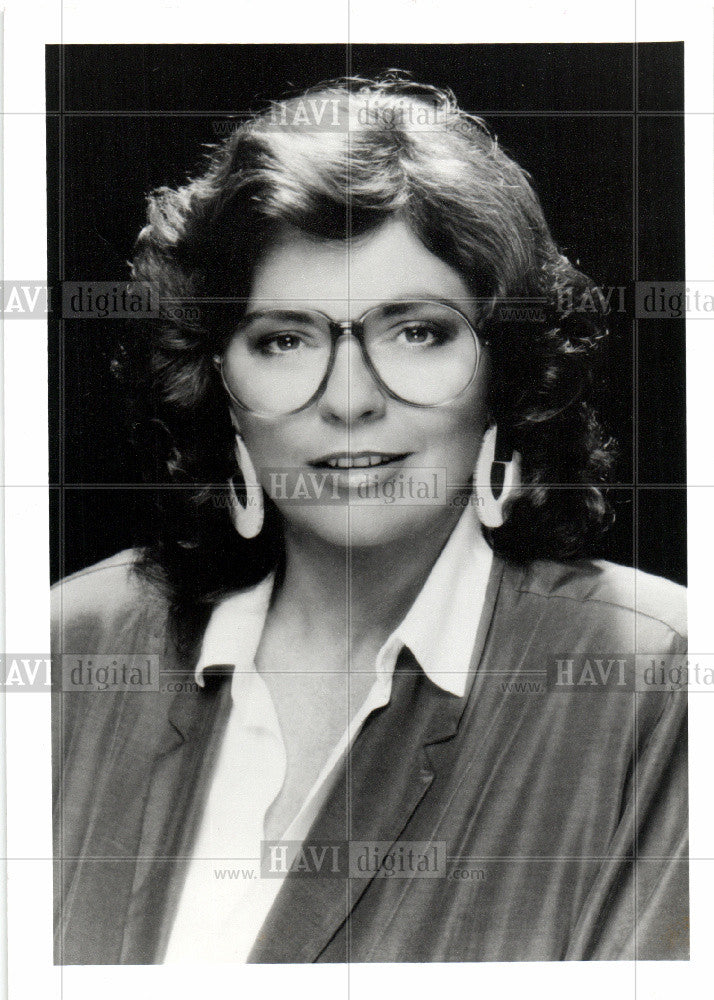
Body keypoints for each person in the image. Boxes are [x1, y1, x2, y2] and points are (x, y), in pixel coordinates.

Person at [51, 73, 687, 964]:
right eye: (285, 338)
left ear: (506, 364)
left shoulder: (654, 680)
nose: (350, 399)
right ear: (219, 383)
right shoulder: (64, 650)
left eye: (415, 331)